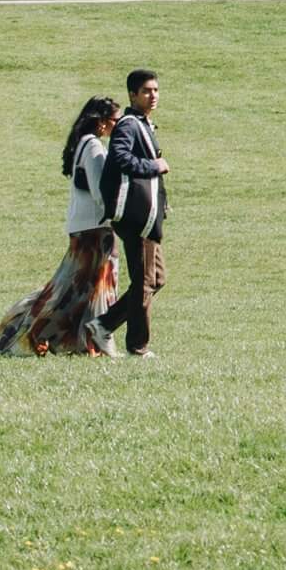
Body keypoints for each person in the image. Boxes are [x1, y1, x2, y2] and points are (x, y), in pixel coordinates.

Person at [0, 95, 122, 357]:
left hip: (83, 227)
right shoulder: (95, 148)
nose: (118, 126)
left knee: (73, 288)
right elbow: (101, 193)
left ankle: (69, 339)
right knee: (94, 286)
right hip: (96, 229)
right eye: (115, 121)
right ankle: (32, 330)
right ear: (101, 123)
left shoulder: (82, 145)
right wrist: (119, 212)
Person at [95, 69, 169, 356]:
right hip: (137, 216)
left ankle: (104, 324)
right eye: (147, 91)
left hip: (148, 217)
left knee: (155, 279)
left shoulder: (143, 124)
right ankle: (137, 345)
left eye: (156, 91)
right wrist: (154, 166)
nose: (153, 96)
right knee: (145, 281)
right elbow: (120, 158)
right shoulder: (128, 125)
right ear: (132, 95)